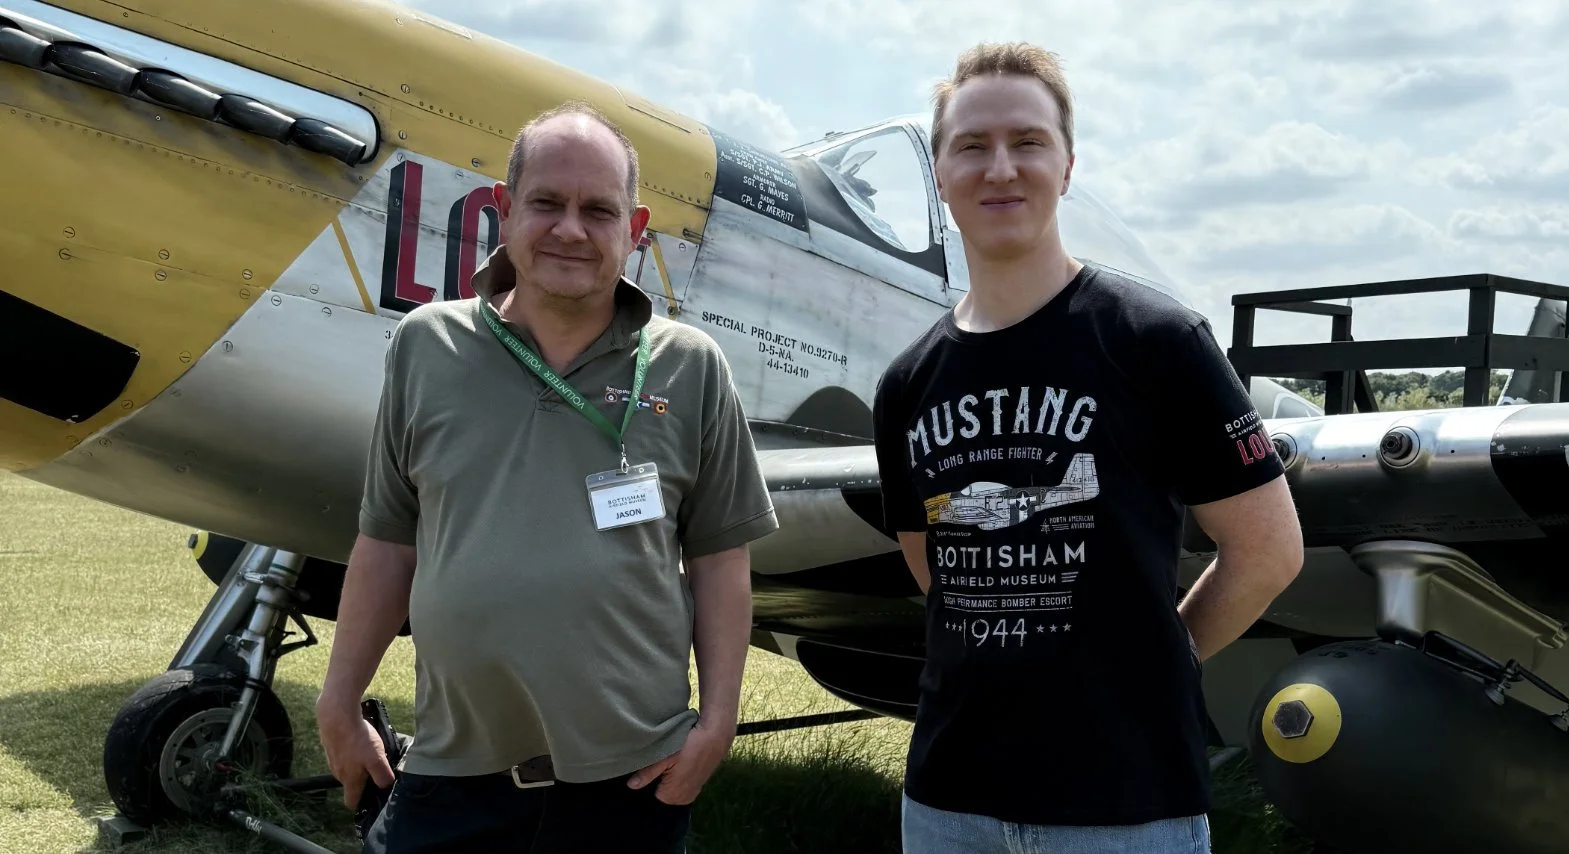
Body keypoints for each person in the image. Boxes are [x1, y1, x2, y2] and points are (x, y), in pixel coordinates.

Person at [871, 42, 1305, 853]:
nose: (1000, 167)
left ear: (1067, 166)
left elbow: (1270, 550)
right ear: (939, 174)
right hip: (946, 805)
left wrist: (1159, 656)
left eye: (1027, 142)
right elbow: (937, 569)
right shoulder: (905, 384)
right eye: (971, 145)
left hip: (1127, 806)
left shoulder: (1159, 340)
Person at [314, 100, 779, 853]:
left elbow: (721, 559)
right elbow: (389, 541)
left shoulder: (691, 366)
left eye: (599, 210)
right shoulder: (424, 347)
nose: (570, 229)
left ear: (636, 231)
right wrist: (338, 702)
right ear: (503, 211)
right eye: (547, 203)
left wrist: (717, 724)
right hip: (450, 770)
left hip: (633, 780)